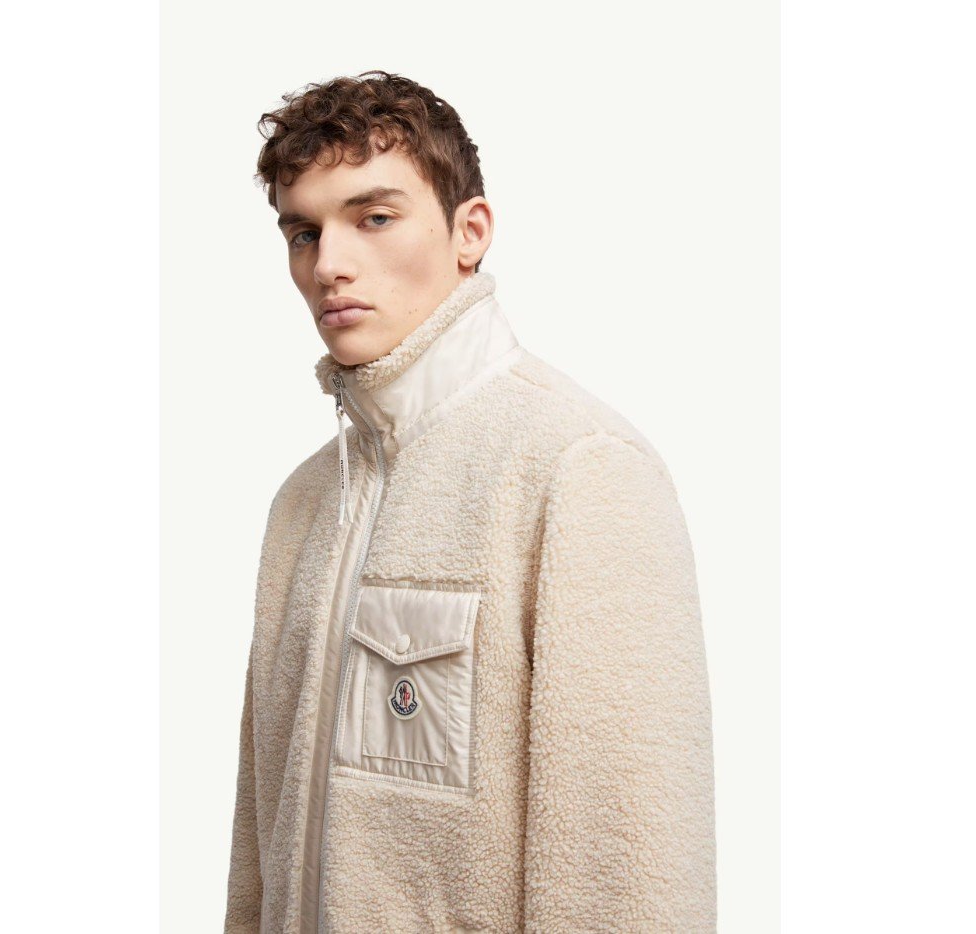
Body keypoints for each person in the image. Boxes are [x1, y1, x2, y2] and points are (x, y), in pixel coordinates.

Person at [223, 69, 716, 934]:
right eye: (304, 232)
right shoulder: (302, 504)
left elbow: (629, 871)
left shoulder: (578, 470)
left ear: (469, 231)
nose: (329, 264)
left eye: (374, 218)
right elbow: (259, 853)